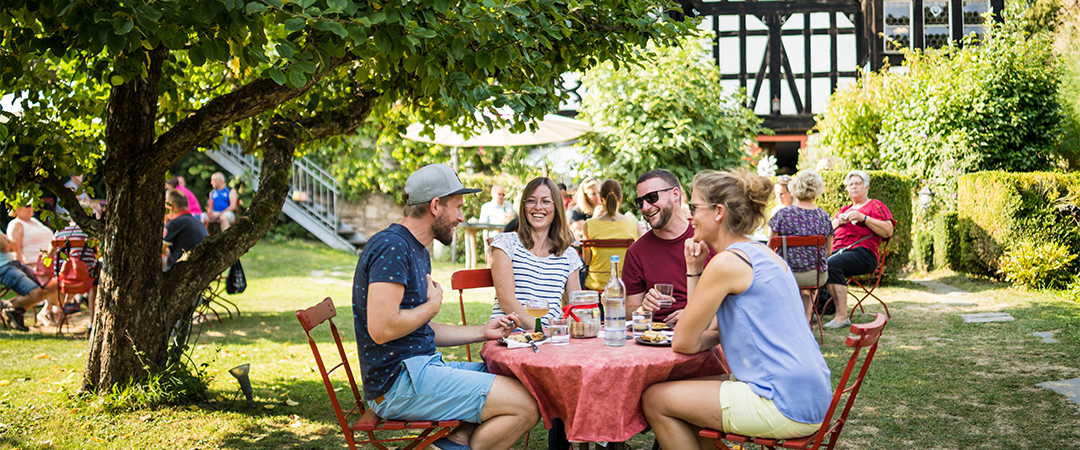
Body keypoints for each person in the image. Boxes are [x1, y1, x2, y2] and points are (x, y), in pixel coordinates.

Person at [353, 164, 539, 450]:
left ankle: (452, 444)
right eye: (458, 207)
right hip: (399, 385)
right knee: (525, 406)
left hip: (419, 371)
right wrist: (431, 306)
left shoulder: (416, 249)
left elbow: (414, 327)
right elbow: (381, 329)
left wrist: (482, 332)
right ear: (436, 206)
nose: (461, 217)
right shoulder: (392, 247)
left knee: (523, 381)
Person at [641, 170, 832, 449]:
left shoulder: (726, 264)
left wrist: (693, 272)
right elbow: (704, 334)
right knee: (689, 392)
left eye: (694, 207)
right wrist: (696, 273)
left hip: (782, 401)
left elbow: (683, 341)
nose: (689, 215)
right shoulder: (763, 253)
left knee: (655, 399)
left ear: (718, 212)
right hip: (810, 392)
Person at [489, 177, 582, 331]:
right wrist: (542, 332)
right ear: (524, 206)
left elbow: (575, 305)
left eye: (546, 201)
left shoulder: (569, 255)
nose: (538, 207)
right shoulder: (505, 243)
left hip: (551, 341)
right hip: (510, 336)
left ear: (557, 207)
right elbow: (506, 302)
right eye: (531, 201)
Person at [623, 169, 713, 324]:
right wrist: (643, 308)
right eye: (640, 202)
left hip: (702, 331)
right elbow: (629, 311)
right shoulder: (635, 253)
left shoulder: (709, 237)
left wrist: (693, 313)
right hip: (653, 337)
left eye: (651, 198)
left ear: (675, 194)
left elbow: (732, 299)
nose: (645, 207)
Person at [822, 170, 894, 330]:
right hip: (837, 252)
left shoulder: (875, 205)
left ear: (866, 187)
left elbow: (888, 231)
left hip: (864, 254)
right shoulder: (844, 209)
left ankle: (841, 317)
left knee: (831, 264)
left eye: (857, 183)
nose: (853, 187)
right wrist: (837, 222)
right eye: (850, 184)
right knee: (817, 264)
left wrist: (864, 218)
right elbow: (826, 231)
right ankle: (813, 311)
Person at [768, 170, 834, 322]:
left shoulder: (782, 214)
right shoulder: (823, 217)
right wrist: (807, 261)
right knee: (810, 286)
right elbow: (828, 251)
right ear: (818, 189)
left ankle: (789, 316)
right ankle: (807, 314)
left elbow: (771, 247)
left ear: (794, 188)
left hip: (787, 274)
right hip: (815, 276)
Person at [582, 179, 639, 290]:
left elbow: (587, 261)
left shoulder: (589, 224)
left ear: (601, 198)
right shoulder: (633, 222)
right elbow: (639, 257)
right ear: (621, 198)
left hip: (596, 286)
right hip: (625, 285)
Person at [0, 232, 59, 331]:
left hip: (14, 263)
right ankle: (8, 307)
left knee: (52, 284)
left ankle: (13, 310)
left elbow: (15, 247)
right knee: (35, 293)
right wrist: (6, 241)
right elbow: (6, 247)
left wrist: (6, 241)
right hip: (3, 268)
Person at [163, 190, 208, 271]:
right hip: (199, 270)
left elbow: (158, 249)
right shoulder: (199, 223)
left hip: (180, 272)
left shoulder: (175, 223)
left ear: (171, 206)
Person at [478, 184, 515, 261]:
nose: (502, 196)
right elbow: (483, 227)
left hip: (508, 237)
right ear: (493, 194)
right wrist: (485, 246)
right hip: (493, 238)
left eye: (503, 194)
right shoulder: (486, 207)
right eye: (499, 194)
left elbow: (515, 220)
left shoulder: (508, 206)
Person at [567, 177, 601, 241]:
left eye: (599, 192)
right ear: (585, 196)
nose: (597, 196)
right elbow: (580, 237)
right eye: (593, 194)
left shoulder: (605, 209)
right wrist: (594, 219)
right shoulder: (577, 212)